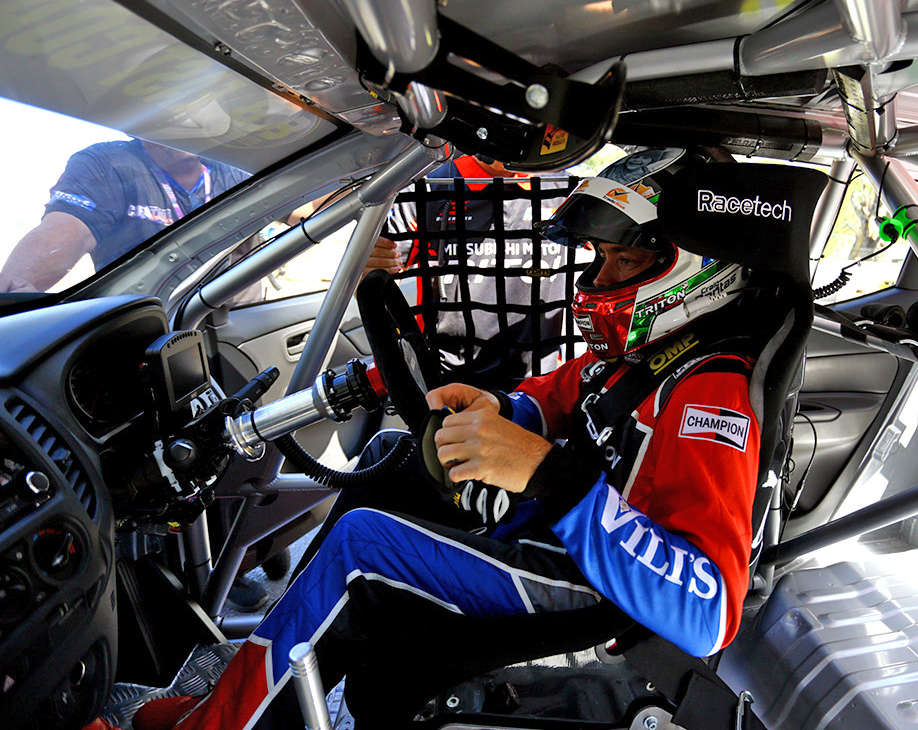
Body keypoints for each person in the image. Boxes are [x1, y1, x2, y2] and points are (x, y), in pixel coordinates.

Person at [132, 148, 762, 730]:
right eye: (601, 258)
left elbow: (706, 616)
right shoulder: (643, 354)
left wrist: (544, 473)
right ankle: (254, 680)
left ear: (697, 265)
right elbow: (555, 398)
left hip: (600, 590)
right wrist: (496, 408)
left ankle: (217, 723)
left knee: (364, 547)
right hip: (564, 533)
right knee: (392, 459)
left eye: (625, 260)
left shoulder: (710, 393)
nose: (601, 278)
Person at [368, 154, 571, 390]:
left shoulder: (564, 188)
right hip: (447, 379)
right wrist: (368, 267)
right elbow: (373, 284)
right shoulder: (428, 186)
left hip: (539, 382)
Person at [0, 138, 250, 292]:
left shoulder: (234, 173)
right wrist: (15, 286)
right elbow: (69, 227)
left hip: (229, 313)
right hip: (144, 316)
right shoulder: (107, 162)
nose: (183, 129)